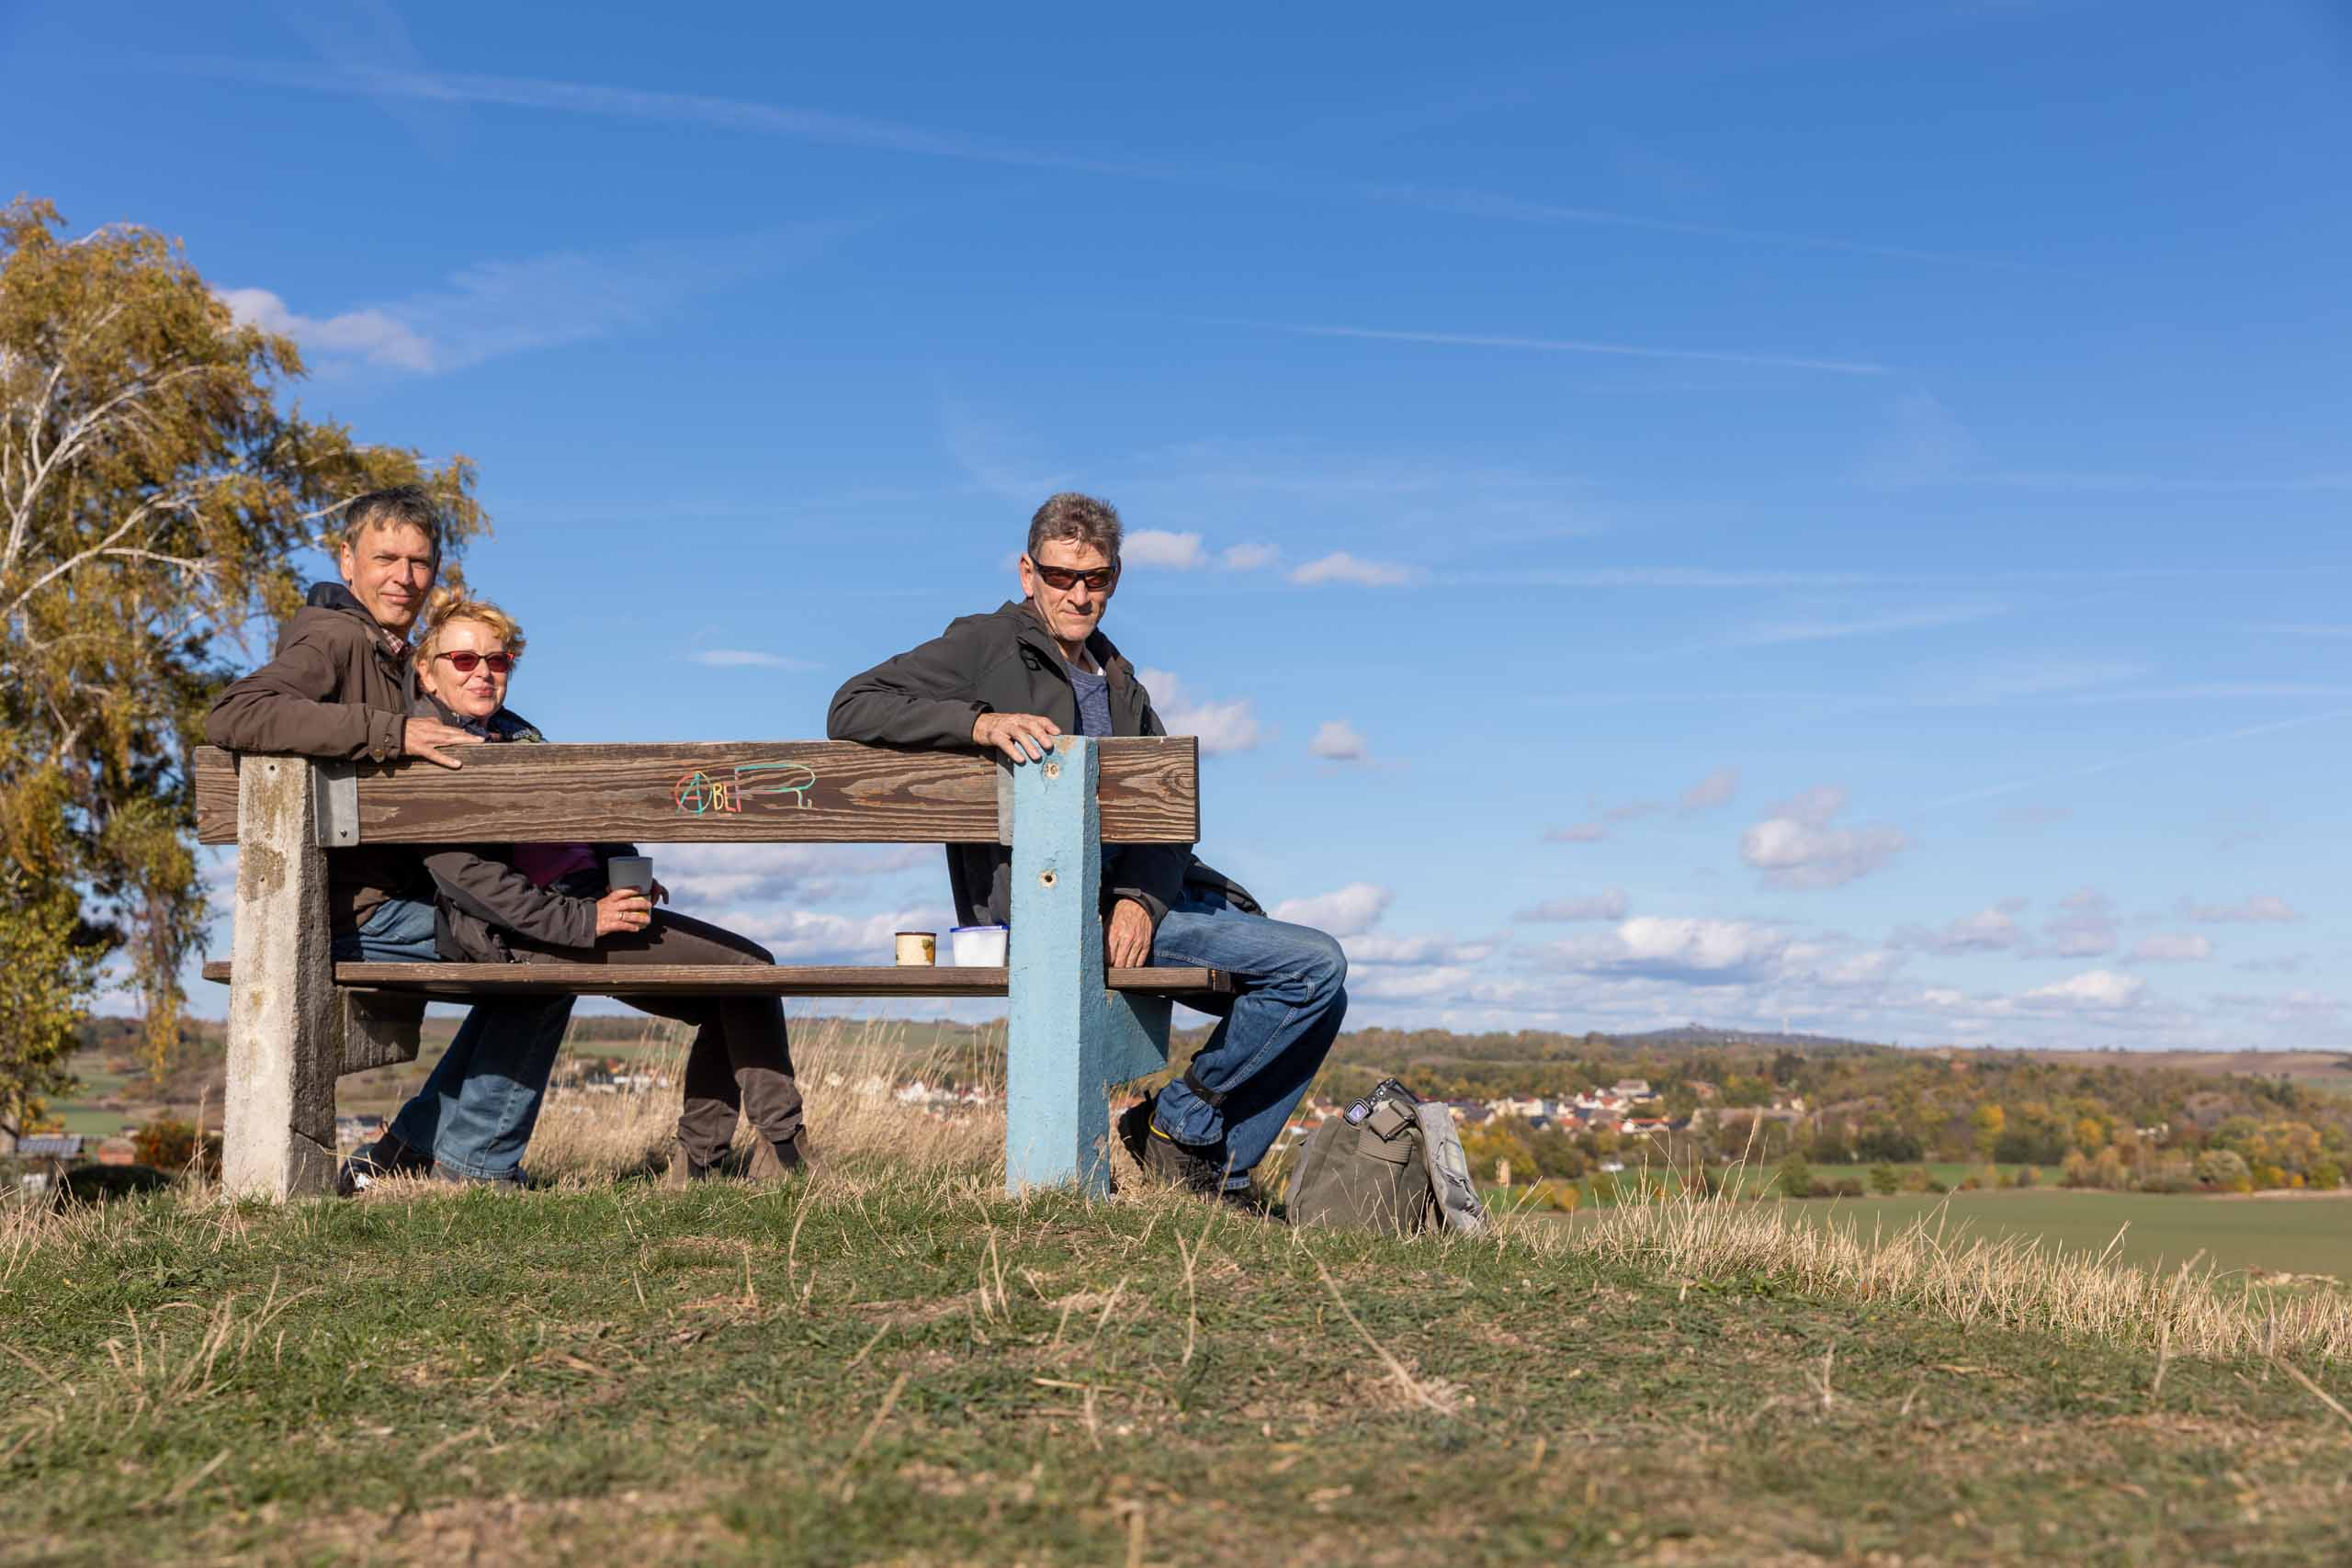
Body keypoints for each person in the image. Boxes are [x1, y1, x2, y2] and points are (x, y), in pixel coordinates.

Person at [827, 491, 1348, 1212]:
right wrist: (979, 725)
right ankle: (1183, 1130)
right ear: (1027, 572)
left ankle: (1206, 1158)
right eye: (1061, 575)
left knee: (1321, 982)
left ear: (1115, 578)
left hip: (1144, 899)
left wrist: (1139, 900)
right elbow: (852, 704)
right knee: (1315, 964)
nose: (1078, 593)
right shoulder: (985, 645)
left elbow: (1167, 818)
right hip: (1055, 905)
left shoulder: (1122, 681)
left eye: (1095, 578)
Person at [204, 487, 574, 1189]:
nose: (404, 577)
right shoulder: (336, 638)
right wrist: (391, 732)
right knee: (545, 960)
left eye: (420, 561)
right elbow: (236, 712)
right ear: (348, 561)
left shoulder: (393, 653)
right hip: (344, 916)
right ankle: (475, 1163)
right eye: (385, 558)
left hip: (377, 904)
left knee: (529, 954)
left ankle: (407, 1146)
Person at [399, 588, 808, 1184]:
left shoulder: (516, 734)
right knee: (750, 971)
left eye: (498, 659)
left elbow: (586, 816)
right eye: (464, 660)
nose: (483, 672)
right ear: (427, 671)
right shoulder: (430, 747)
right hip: (540, 928)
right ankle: (776, 1152)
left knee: (741, 981)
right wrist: (589, 921)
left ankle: (705, 1163)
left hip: (592, 902)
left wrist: (628, 870)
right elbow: (472, 883)